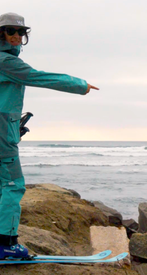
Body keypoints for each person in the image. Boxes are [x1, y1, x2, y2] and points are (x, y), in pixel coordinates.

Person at [0, 12, 99, 259]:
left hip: (5, 129)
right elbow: (38, 77)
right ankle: (6, 245)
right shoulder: (6, 63)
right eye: (11, 31)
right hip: (2, 132)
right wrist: (78, 85)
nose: (16, 36)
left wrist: (14, 128)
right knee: (13, 185)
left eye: (21, 32)